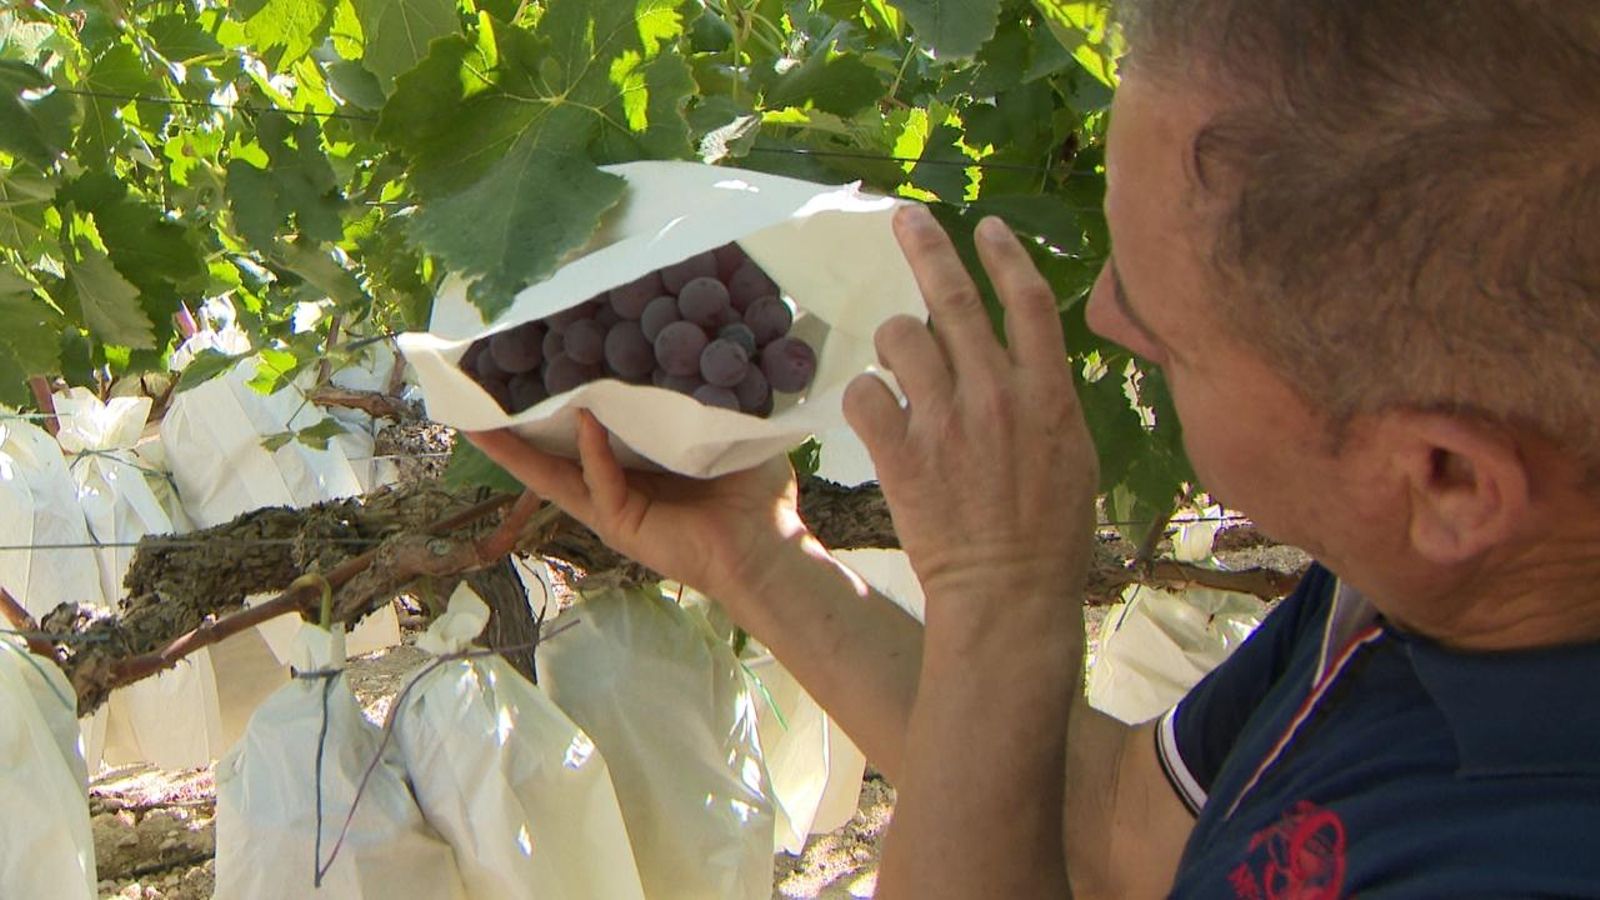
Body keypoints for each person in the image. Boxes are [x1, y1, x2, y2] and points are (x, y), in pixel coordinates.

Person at [470, 1, 1600, 895]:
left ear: (1447, 478)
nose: (1102, 312)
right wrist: (757, 556)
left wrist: (1006, 601)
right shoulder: (1429, 597)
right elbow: (1111, 829)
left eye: (1174, 337)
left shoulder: (1520, 862)